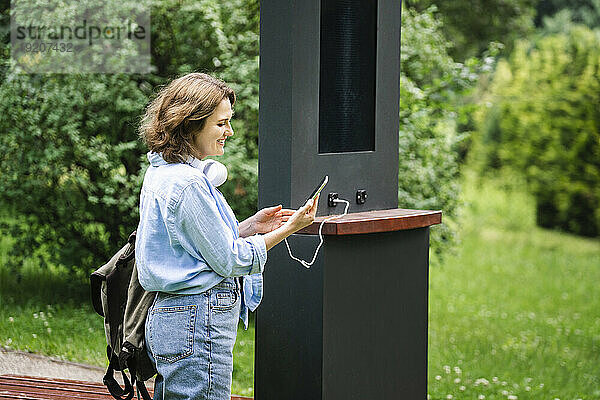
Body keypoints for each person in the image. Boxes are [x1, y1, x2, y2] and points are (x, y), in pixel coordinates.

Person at [135, 72, 319, 400]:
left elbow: (193, 244)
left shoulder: (163, 172)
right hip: (196, 322)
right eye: (221, 124)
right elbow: (232, 259)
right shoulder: (189, 184)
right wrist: (290, 228)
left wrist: (249, 227)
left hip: (176, 320)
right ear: (191, 124)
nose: (229, 132)